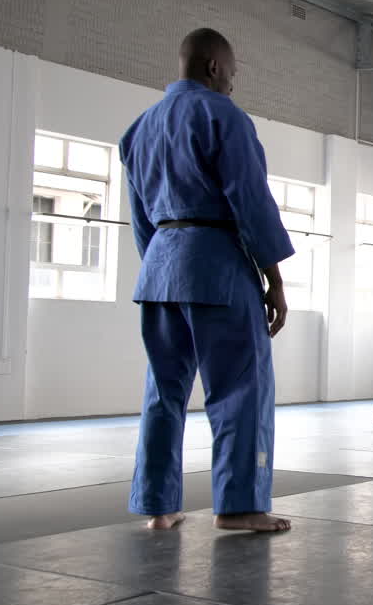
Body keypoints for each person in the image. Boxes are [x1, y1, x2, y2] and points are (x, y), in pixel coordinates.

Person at [121, 28, 293, 532]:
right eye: (233, 73)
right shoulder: (224, 117)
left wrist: (162, 266)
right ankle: (241, 507)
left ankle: (159, 506)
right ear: (214, 66)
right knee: (241, 386)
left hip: (160, 269)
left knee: (163, 390)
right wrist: (274, 279)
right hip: (217, 266)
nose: (234, 84)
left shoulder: (138, 130)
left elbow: (139, 221)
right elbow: (251, 201)